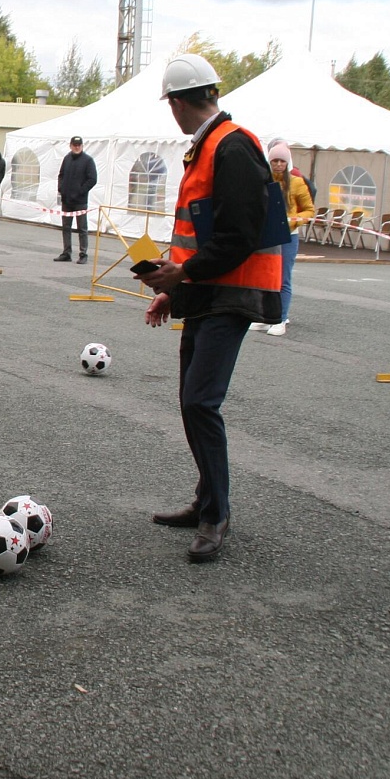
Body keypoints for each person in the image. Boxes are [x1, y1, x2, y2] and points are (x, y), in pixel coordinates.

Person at [136, 53, 282, 563]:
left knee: (201, 401)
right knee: (191, 400)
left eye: (169, 104)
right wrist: (171, 290)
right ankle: (204, 502)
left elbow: (239, 236)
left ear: (177, 103)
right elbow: (197, 235)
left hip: (232, 294)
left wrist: (182, 276)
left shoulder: (233, 146)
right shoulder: (209, 147)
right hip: (206, 293)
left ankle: (216, 513)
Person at [249, 140, 314, 336]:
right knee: (265, 275)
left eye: (282, 161)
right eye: (275, 161)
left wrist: (293, 221)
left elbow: (309, 210)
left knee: (283, 278)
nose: (278, 164)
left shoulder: (296, 182)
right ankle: (263, 316)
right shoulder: (263, 179)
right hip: (266, 235)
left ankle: (281, 317)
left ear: (288, 163)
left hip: (288, 236)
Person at [54, 135, 98, 263]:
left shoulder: (88, 160)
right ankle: (66, 252)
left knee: (82, 228)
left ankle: (83, 254)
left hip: (80, 201)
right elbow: (61, 175)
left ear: (82, 146)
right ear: (71, 145)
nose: (77, 147)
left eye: (79, 145)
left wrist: (80, 191)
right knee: (66, 227)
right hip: (67, 200)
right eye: (75, 145)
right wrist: (61, 188)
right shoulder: (67, 158)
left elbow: (92, 179)